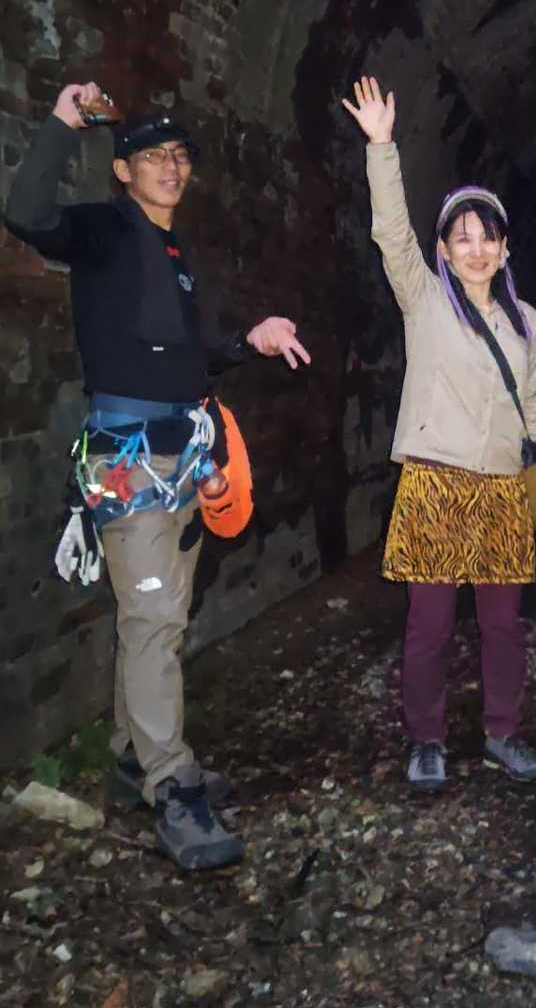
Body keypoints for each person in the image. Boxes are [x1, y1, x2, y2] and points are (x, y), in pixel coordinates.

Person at [5, 81, 310, 871]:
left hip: (184, 456)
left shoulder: (177, 258)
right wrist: (63, 122)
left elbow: (192, 355)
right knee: (154, 621)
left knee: (157, 614)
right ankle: (173, 786)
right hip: (129, 460)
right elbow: (27, 214)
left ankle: (131, 756)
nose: (170, 167)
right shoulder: (105, 230)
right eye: (152, 156)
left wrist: (249, 339)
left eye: (179, 157)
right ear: (123, 170)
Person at [343, 76, 536, 793]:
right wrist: (382, 146)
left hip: (501, 488)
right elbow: (391, 236)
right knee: (428, 625)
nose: (476, 249)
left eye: (486, 237)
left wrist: (535, 467)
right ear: (444, 249)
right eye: (462, 239)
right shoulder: (426, 300)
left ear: (504, 247)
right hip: (435, 480)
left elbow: (533, 401)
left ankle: (503, 731)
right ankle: (426, 740)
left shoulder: (528, 322)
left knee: (503, 625)